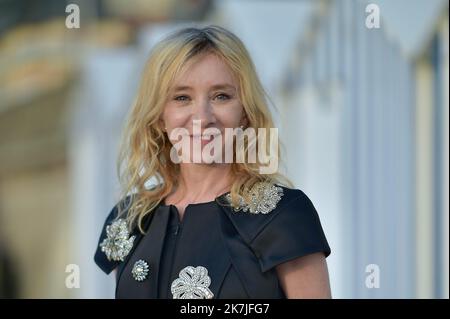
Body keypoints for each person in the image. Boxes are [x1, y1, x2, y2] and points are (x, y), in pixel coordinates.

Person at [94, 25, 331, 299]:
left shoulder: (283, 216)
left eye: (221, 96)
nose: (202, 117)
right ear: (160, 116)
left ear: (244, 112)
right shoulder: (129, 219)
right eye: (182, 98)